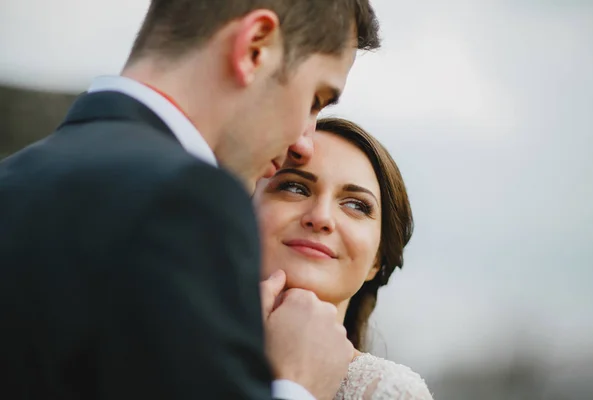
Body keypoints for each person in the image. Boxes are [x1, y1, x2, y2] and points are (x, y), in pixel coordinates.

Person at [0, 1, 381, 399]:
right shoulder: (186, 199)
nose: (303, 144)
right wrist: (296, 384)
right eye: (314, 99)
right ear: (255, 47)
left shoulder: (13, 179)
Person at [254, 117, 434, 399]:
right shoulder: (170, 343)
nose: (321, 217)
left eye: (356, 205)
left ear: (377, 259)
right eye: (295, 187)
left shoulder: (389, 392)